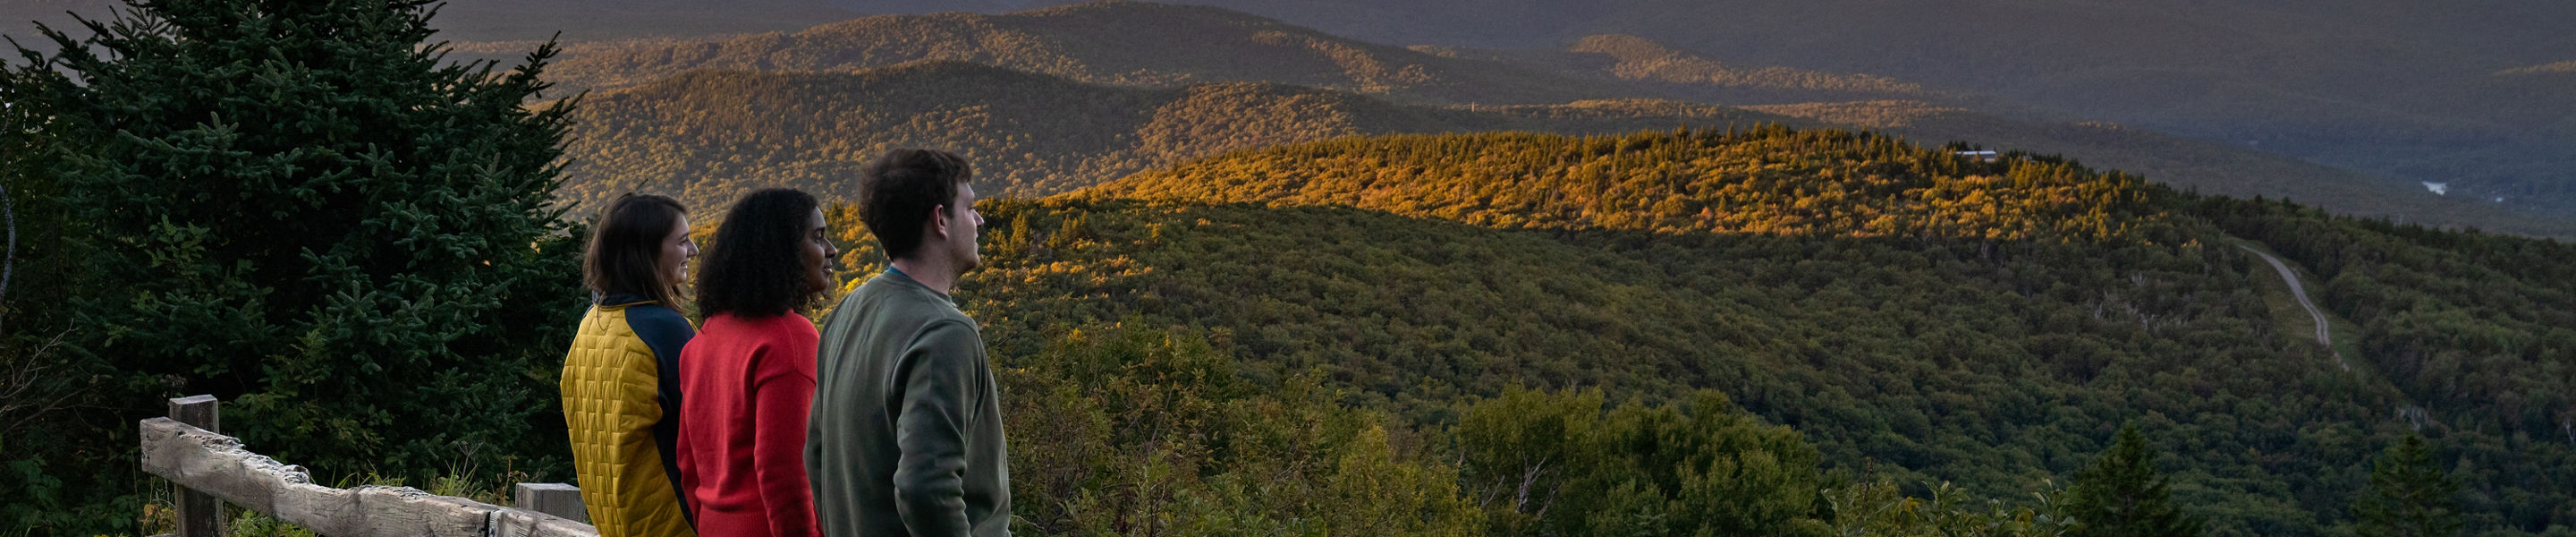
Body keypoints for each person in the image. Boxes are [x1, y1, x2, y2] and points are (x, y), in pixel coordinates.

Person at [808, 149, 1008, 537]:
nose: (980, 220)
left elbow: (816, 453)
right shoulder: (946, 332)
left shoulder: (848, 311)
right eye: (969, 208)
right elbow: (926, 488)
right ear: (940, 220)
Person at [677, 188, 837, 537]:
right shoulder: (789, 339)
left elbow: (688, 465)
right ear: (783, 250)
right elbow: (785, 474)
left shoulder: (702, 341)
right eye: (818, 237)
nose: (831, 250)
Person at [560, 193, 700, 537]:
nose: (694, 250)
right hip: (675, 527)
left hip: (616, 526)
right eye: (682, 241)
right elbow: (709, 439)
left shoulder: (590, 325)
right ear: (647, 252)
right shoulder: (664, 331)